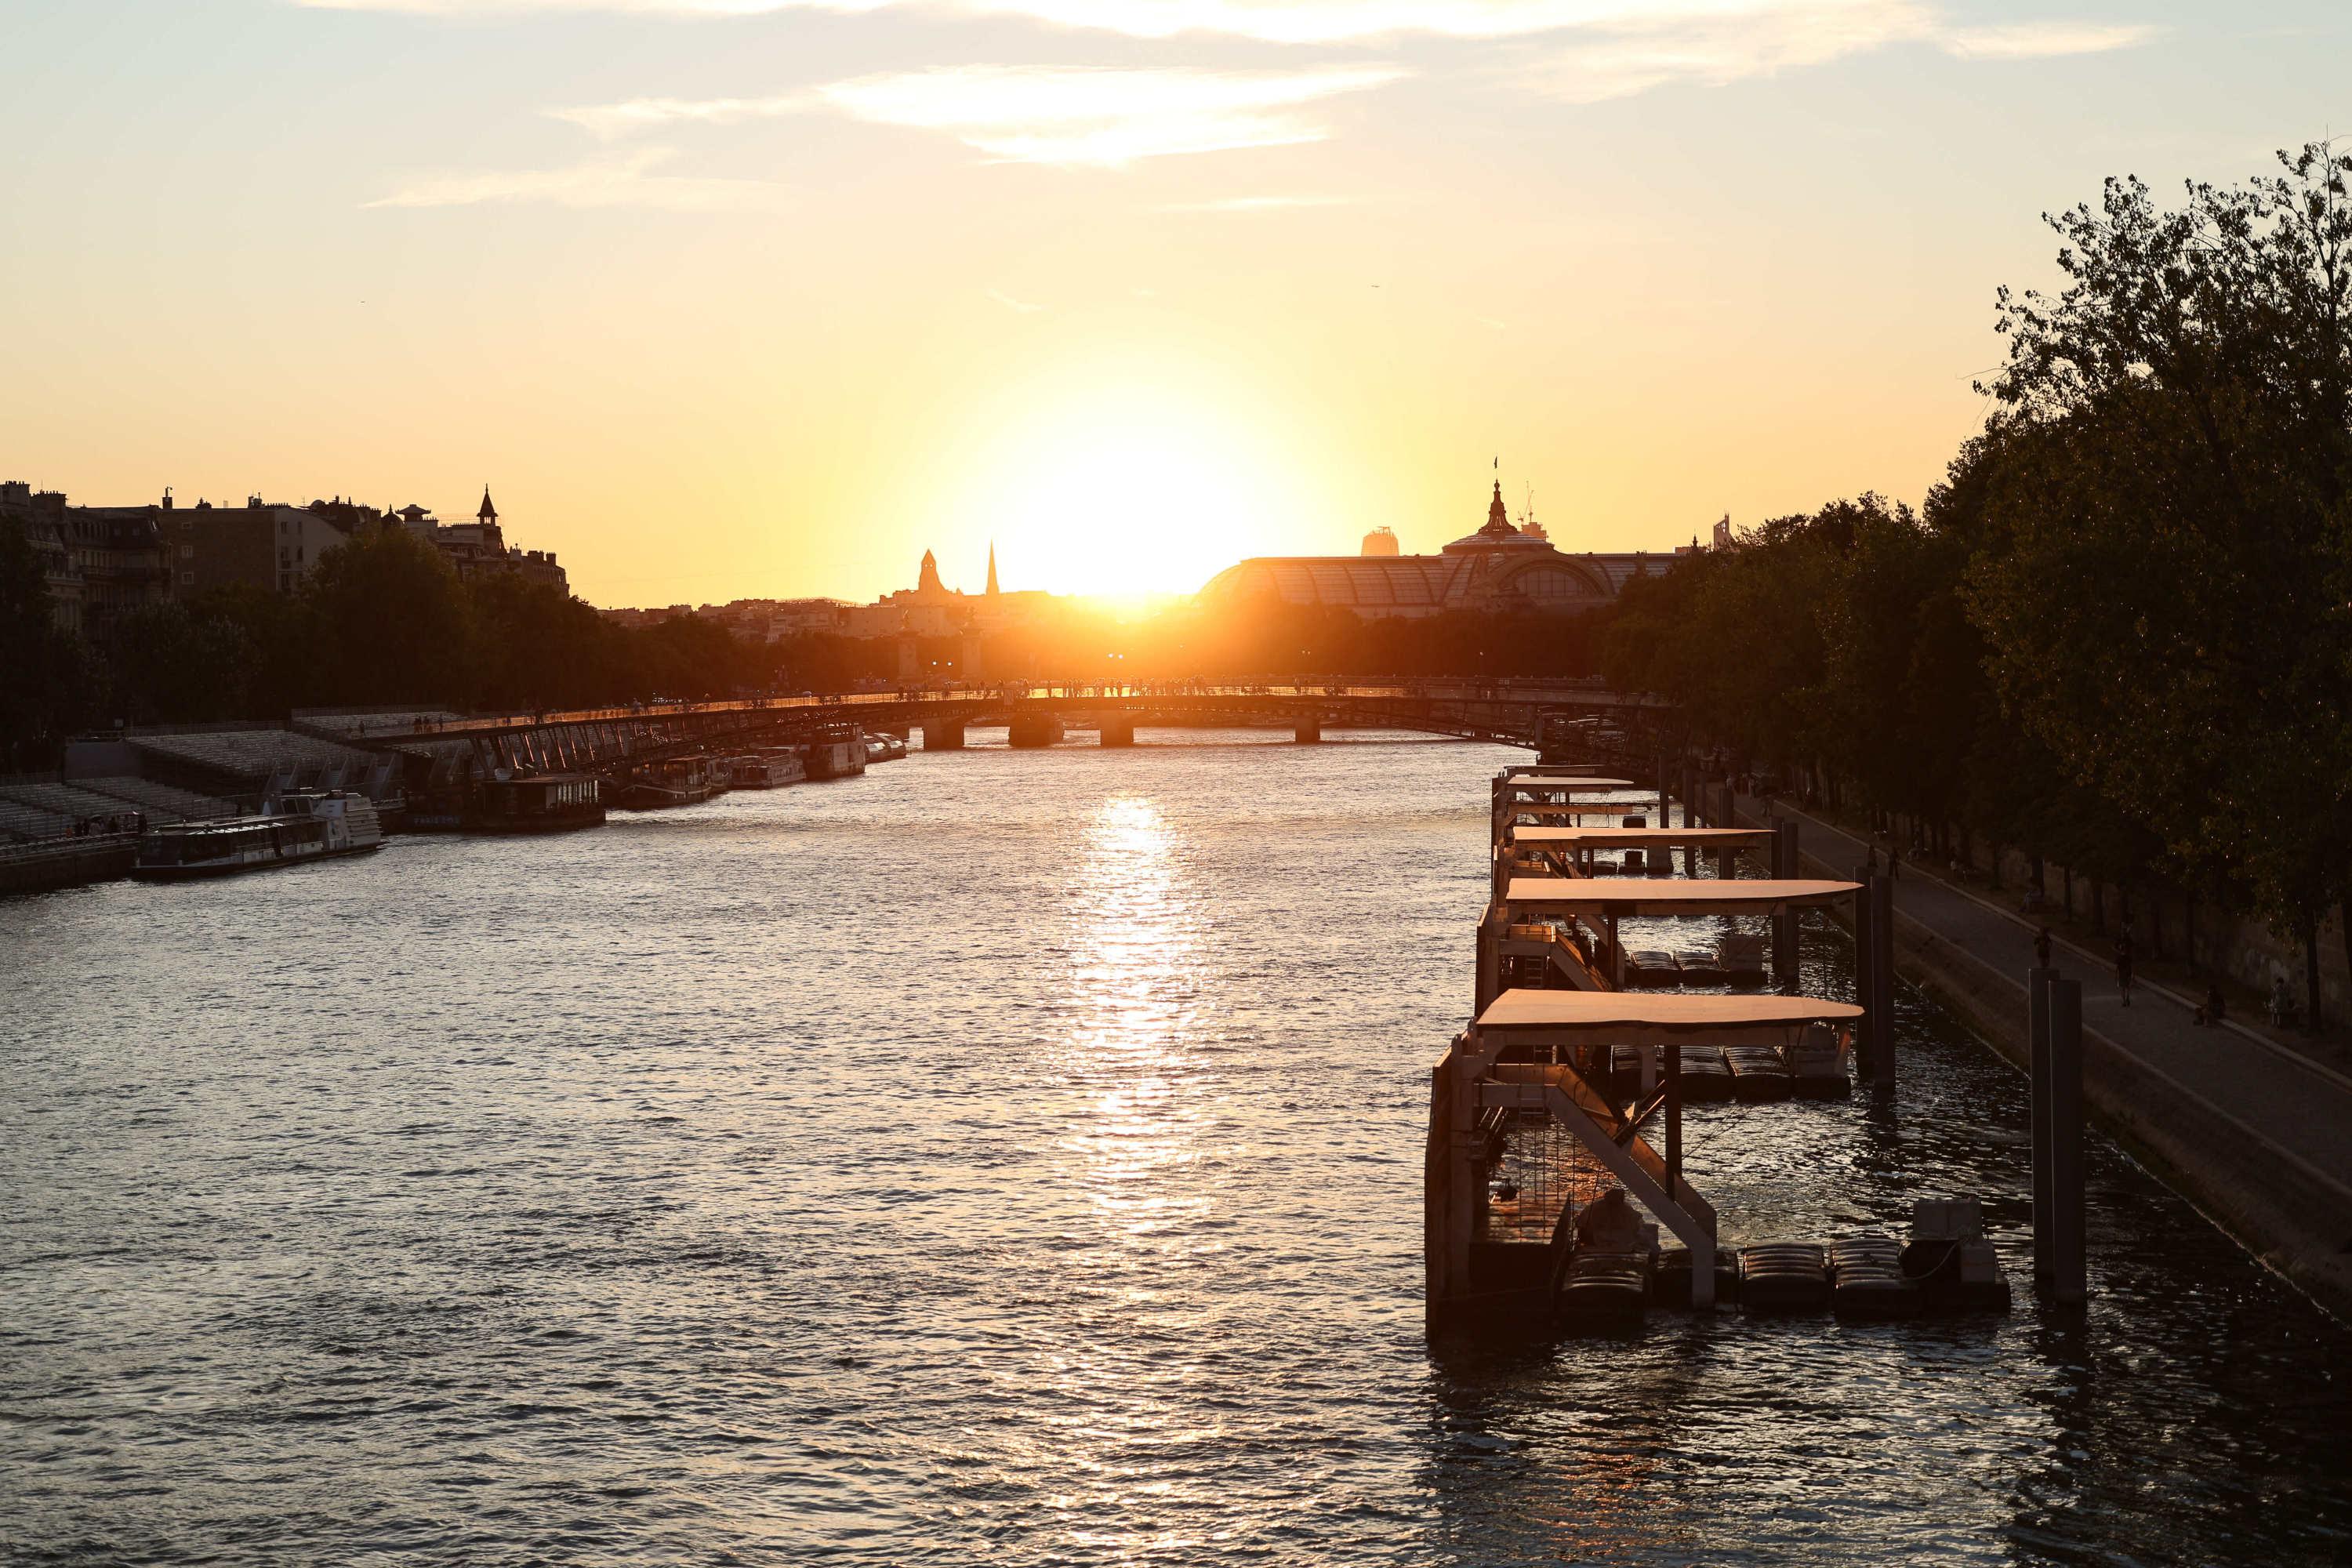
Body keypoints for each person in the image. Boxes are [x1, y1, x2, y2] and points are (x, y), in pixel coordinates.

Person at [2114, 931, 2134, 1007]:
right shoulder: (2129, 957)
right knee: (2128, 987)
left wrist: (2117, 975)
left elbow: (2118, 967)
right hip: (2128, 972)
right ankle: (2128, 996)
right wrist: (2133, 974)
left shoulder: (2119, 958)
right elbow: (2131, 965)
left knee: (2122, 988)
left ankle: (2124, 1001)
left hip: (2122, 973)